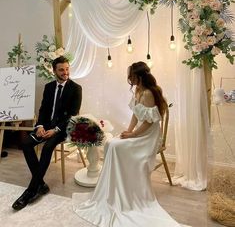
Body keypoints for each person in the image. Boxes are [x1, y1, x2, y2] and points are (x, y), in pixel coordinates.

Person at [72, 61, 180, 226]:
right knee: (110, 143)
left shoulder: (149, 93)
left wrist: (133, 135)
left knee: (115, 146)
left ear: (138, 76)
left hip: (147, 136)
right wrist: (127, 132)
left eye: (131, 75)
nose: (129, 78)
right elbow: (136, 115)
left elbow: (149, 123)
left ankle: (124, 191)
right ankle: (113, 190)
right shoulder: (138, 90)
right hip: (138, 131)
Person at [12, 56, 82, 211]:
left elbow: (72, 115)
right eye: (61, 69)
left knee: (48, 147)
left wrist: (55, 130)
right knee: (26, 144)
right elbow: (43, 110)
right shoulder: (49, 87)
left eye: (67, 69)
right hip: (46, 126)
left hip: (63, 129)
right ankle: (41, 184)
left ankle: (30, 191)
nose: (65, 72)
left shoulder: (76, 88)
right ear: (54, 70)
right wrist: (40, 126)